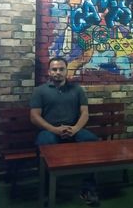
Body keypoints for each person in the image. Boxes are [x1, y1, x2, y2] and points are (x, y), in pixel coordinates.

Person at [30, 56, 99, 206]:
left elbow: (85, 113)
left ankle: (88, 188)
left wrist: (75, 129)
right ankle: (48, 190)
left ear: (67, 71)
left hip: (73, 130)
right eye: (54, 69)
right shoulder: (39, 91)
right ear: (49, 72)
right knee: (44, 144)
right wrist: (54, 130)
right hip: (50, 131)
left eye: (61, 69)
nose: (58, 72)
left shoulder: (77, 89)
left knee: (91, 141)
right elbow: (34, 117)